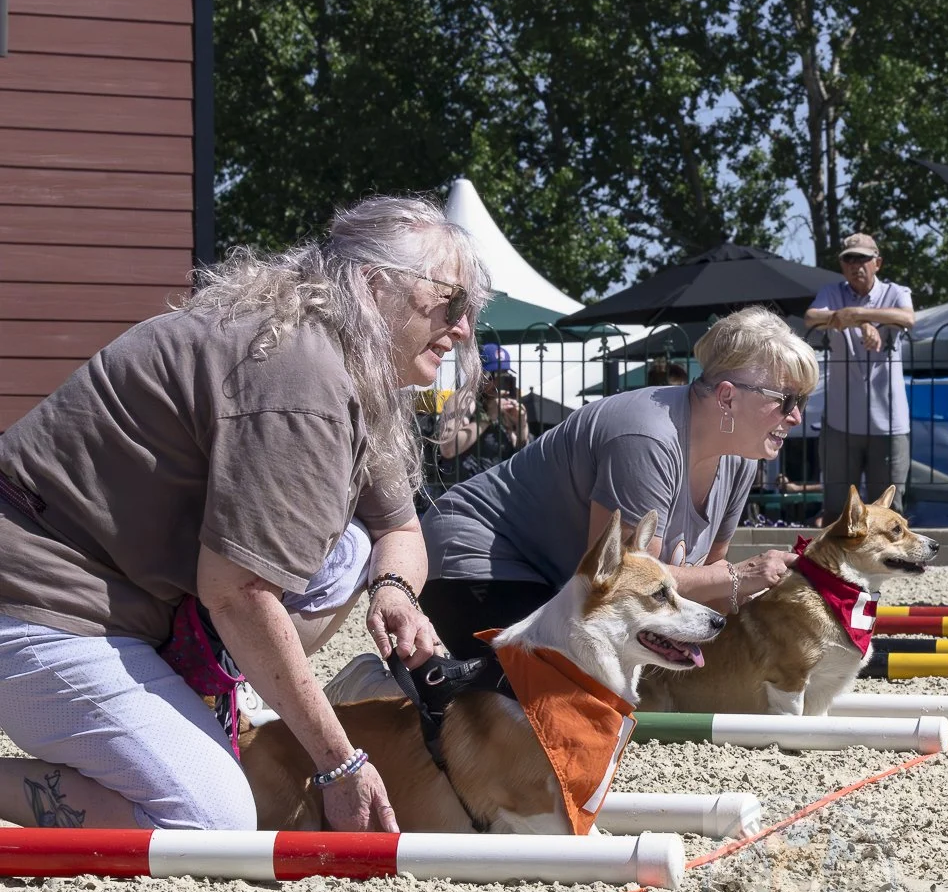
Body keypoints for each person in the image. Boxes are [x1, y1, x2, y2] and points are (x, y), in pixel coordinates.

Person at [0, 195, 489, 832]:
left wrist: (395, 593)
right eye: (451, 303)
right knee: (212, 821)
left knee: (354, 552)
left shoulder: (338, 362)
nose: (463, 330)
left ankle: (214, 689)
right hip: (38, 604)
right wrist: (338, 762)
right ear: (375, 286)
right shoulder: (299, 379)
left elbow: (399, 528)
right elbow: (238, 592)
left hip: (119, 598)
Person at [420, 306, 818, 659]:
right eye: (786, 400)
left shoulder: (740, 458)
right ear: (728, 398)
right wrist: (737, 576)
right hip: (480, 556)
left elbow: (706, 589)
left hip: (557, 581)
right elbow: (619, 581)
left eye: (801, 401)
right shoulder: (647, 437)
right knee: (554, 685)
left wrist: (795, 589)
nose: (797, 416)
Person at [804, 233, 915, 520]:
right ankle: (832, 567)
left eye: (863, 259)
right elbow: (811, 318)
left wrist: (857, 314)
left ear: (877, 263)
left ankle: (890, 566)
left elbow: (908, 318)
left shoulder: (896, 291)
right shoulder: (833, 291)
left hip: (889, 423)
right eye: (849, 259)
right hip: (840, 421)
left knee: (889, 513)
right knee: (836, 512)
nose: (856, 265)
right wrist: (863, 321)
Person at [434, 345, 529, 482]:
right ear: (481, 375)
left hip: (498, 493)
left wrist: (521, 425)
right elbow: (448, 448)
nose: (500, 382)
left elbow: (520, 454)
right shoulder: (466, 399)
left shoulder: (502, 403)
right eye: (495, 375)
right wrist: (487, 417)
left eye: (506, 375)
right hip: (464, 494)